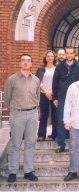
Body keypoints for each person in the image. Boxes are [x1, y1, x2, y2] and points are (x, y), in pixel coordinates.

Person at [4, 53, 40, 183]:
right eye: (23, 60)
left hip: (32, 114)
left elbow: (37, 97)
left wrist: (34, 110)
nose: (25, 62)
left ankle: (28, 171)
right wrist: (14, 111)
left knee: (30, 143)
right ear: (20, 63)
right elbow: (7, 98)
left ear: (31, 64)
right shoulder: (12, 79)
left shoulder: (36, 80)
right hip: (17, 114)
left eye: (28, 61)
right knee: (15, 144)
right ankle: (12, 171)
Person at [52, 47, 79, 153]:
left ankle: (76, 144)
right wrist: (55, 98)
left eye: (71, 53)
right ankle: (61, 144)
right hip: (62, 97)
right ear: (65, 54)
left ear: (74, 55)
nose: (69, 55)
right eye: (67, 53)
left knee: (76, 121)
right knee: (61, 120)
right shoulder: (59, 66)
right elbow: (55, 82)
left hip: (76, 99)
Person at [36, 50, 57, 141]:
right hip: (43, 94)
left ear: (54, 57)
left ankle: (55, 134)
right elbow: (37, 81)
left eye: (52, 56)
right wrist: (46, 91)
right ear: (45, 57)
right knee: (43, 114)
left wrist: (52, 92)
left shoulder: (57, 68)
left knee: (55, 115)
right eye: (48, 56)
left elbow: (58, 81)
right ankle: (41, 135)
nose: (50, 58)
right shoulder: (41, 68)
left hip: (54, 94)